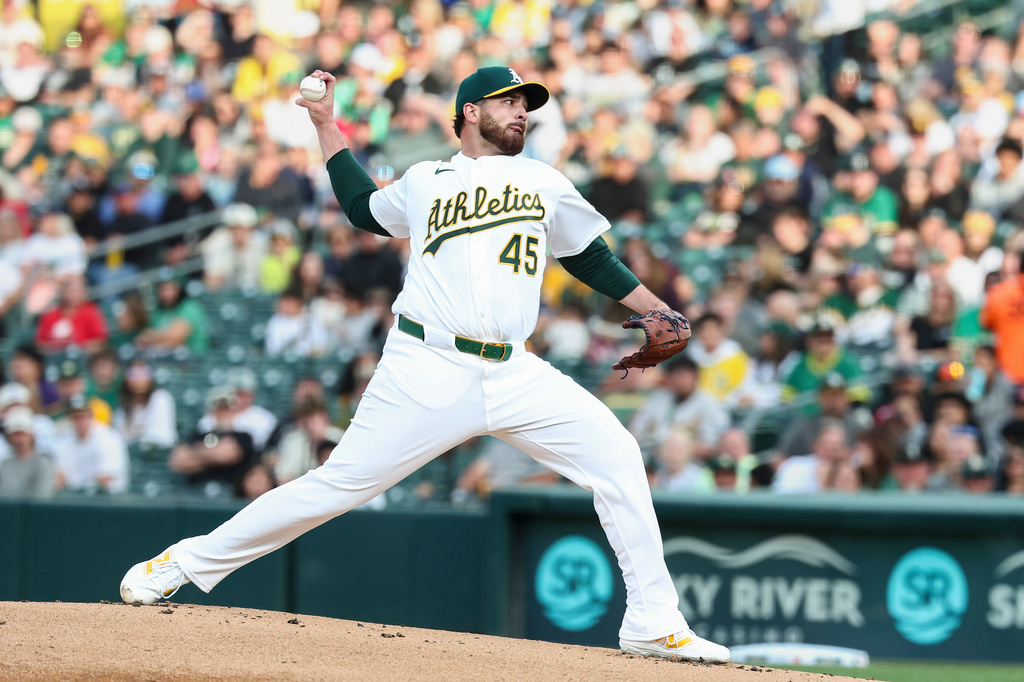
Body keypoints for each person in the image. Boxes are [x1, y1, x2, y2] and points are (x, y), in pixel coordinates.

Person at [120, 66, 730, 664]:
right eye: (508, 101)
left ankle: (654, 621)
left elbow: (590, 257)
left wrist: (659, 309)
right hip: (426, 363)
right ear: (470, 111)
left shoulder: (543, 180)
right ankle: (179, 564)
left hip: (515, 370)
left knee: (618, 457)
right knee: (335, 487)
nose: (522, 111)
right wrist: (327, 125)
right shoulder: (426, 180)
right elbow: (362, 209)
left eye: (526, 104)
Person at [52, 393, 129, 495]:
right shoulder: (64, 440)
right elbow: (59, 478)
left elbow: (105, 479)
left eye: (83, 415)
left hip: (109, 498)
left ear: (91, 415)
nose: (80, 420)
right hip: (75, 498)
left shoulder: (108, 438)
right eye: (75, 416)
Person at [112, 360, 177, 449]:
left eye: (144, 373)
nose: (139, 378)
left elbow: (161, 437)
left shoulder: (161, 398)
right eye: (133, 374)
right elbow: (118, 438)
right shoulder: (123, 405)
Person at [0, 406, 56, 498]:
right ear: (9, 437)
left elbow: (41, 499)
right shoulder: (4, 465)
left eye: (22, 434)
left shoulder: (43, 463)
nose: (19, 440)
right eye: (15, 434)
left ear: (31, 435)